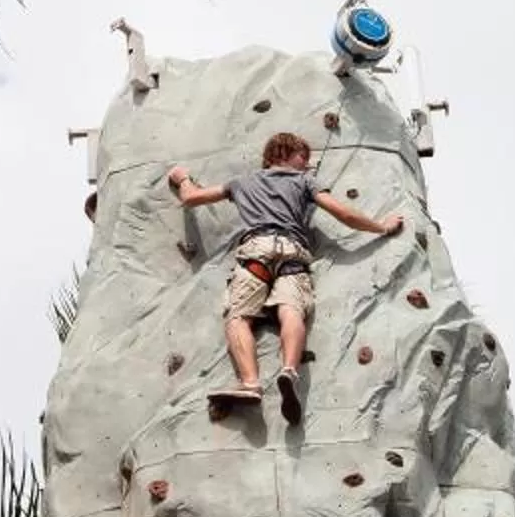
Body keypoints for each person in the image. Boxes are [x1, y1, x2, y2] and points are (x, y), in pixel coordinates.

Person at [167, 131, 403, 425]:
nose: (307, 165)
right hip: (293, 252)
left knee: (239, 317)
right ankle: (289, 369)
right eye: (303, 157)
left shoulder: (241, 183)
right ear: (280, 154)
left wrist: (182, 177)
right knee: (292, 311)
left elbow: (191, 198)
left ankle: (251, 383)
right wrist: (382, 226)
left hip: (255, 253)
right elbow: (342, 212)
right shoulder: (304, 182)